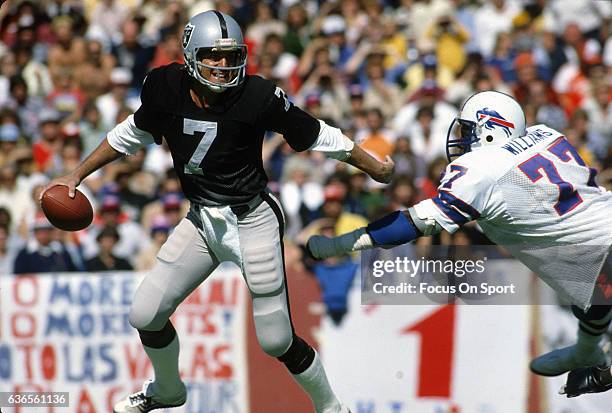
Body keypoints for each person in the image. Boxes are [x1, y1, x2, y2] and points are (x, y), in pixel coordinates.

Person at [42, 10, 393, 413]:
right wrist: (77, 173)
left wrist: (370, 164)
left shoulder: (257, 95)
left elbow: (315, 133)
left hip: (252, 219)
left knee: (276, 340)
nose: (224, 66)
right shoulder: (165, 87)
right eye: (214, 56)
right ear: (191, 54)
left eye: (231, 56)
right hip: (203, 220)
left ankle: (331, 407)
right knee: (145, 313)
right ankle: (168, 391)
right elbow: (131, 133)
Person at [307, 90, 611, 383]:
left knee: (595, 288)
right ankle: (586, 351)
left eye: (468, 130)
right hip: (601, 240)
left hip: (601, 256)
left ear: (491, 130)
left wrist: (340, 243)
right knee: (590, 294)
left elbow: (411, 224)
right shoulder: (546, 134)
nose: (461, 138)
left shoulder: (479, 169)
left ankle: (590, 354)